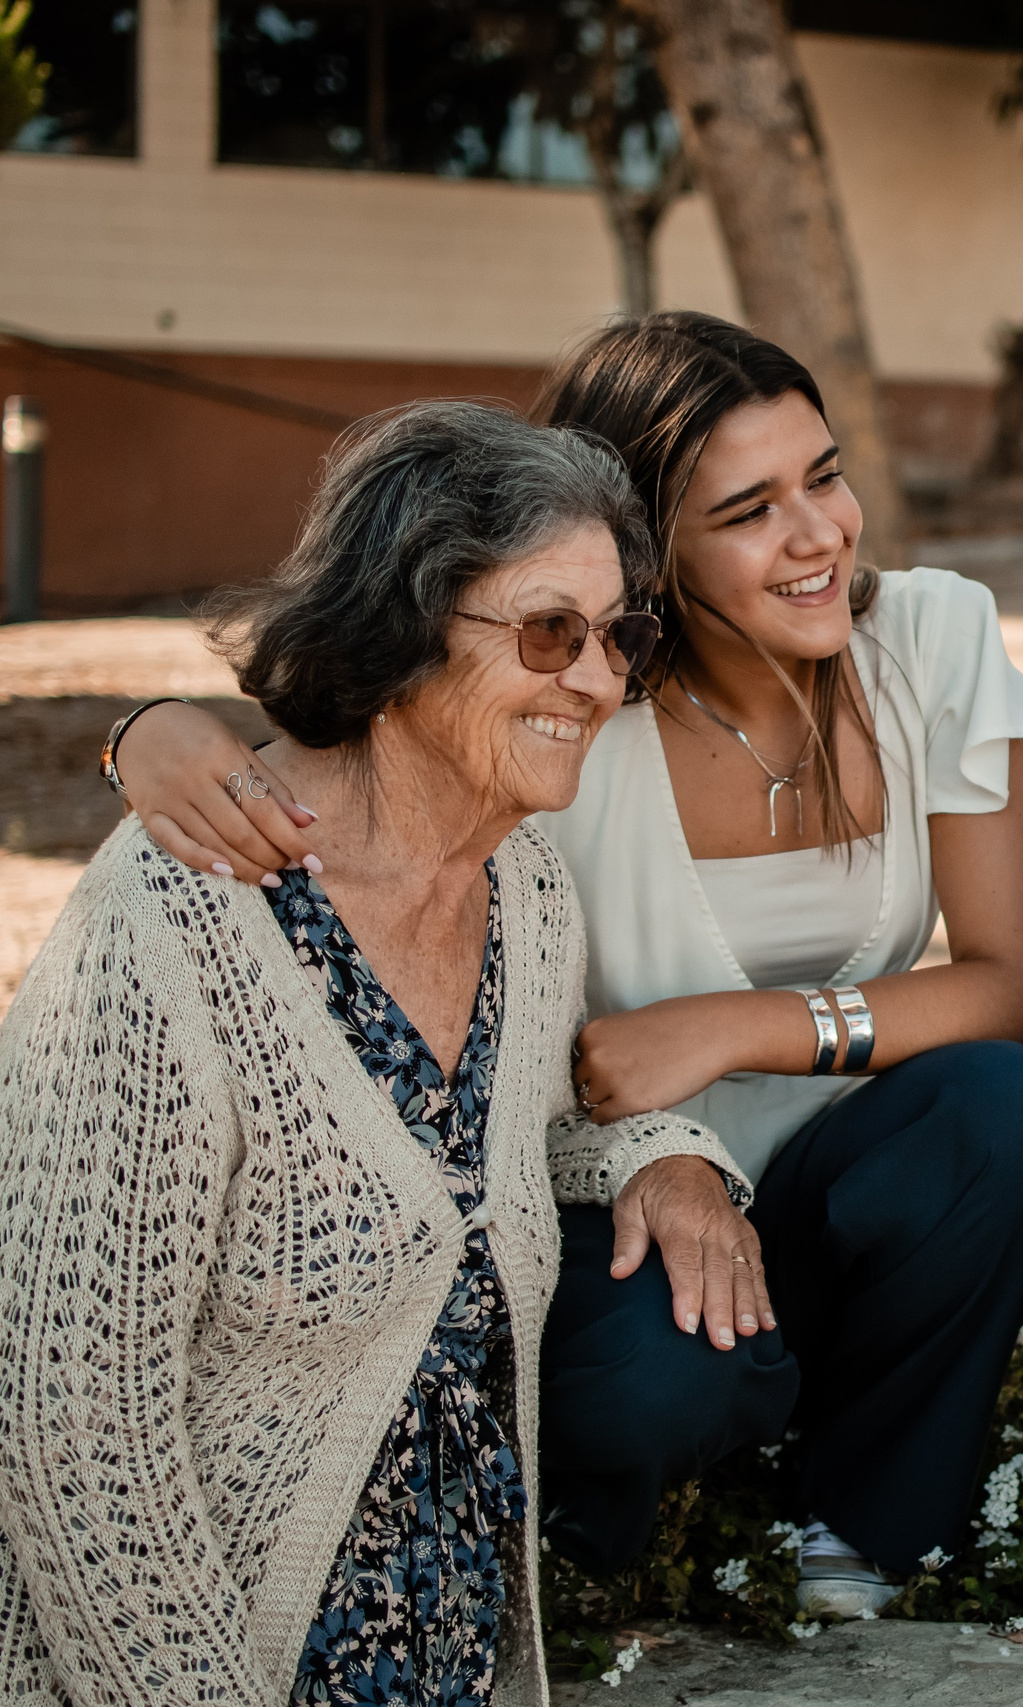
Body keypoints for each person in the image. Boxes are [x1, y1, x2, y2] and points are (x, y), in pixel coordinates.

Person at [106, 313, 1023, 1620]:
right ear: (646, 550)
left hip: (849, 1188)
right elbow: (344, 743)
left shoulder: (931, 639)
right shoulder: (568, 706)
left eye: (827, 474)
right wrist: (144, 732)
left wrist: (732, 1025)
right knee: (656, 1383)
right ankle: (588, 1533)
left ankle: (860, 1527)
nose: (820, 537)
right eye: (749, 509)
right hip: (610, 1189)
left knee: (1009, 1111)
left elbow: (1019, 992)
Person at [0, 401, 665, 1700]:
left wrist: (674, 1156)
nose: (599, 679)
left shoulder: (528, 894)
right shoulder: (187, 906)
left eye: (621, 633)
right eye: (549, 632)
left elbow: (508, 1156)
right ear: (406, 631)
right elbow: (69, 1422)